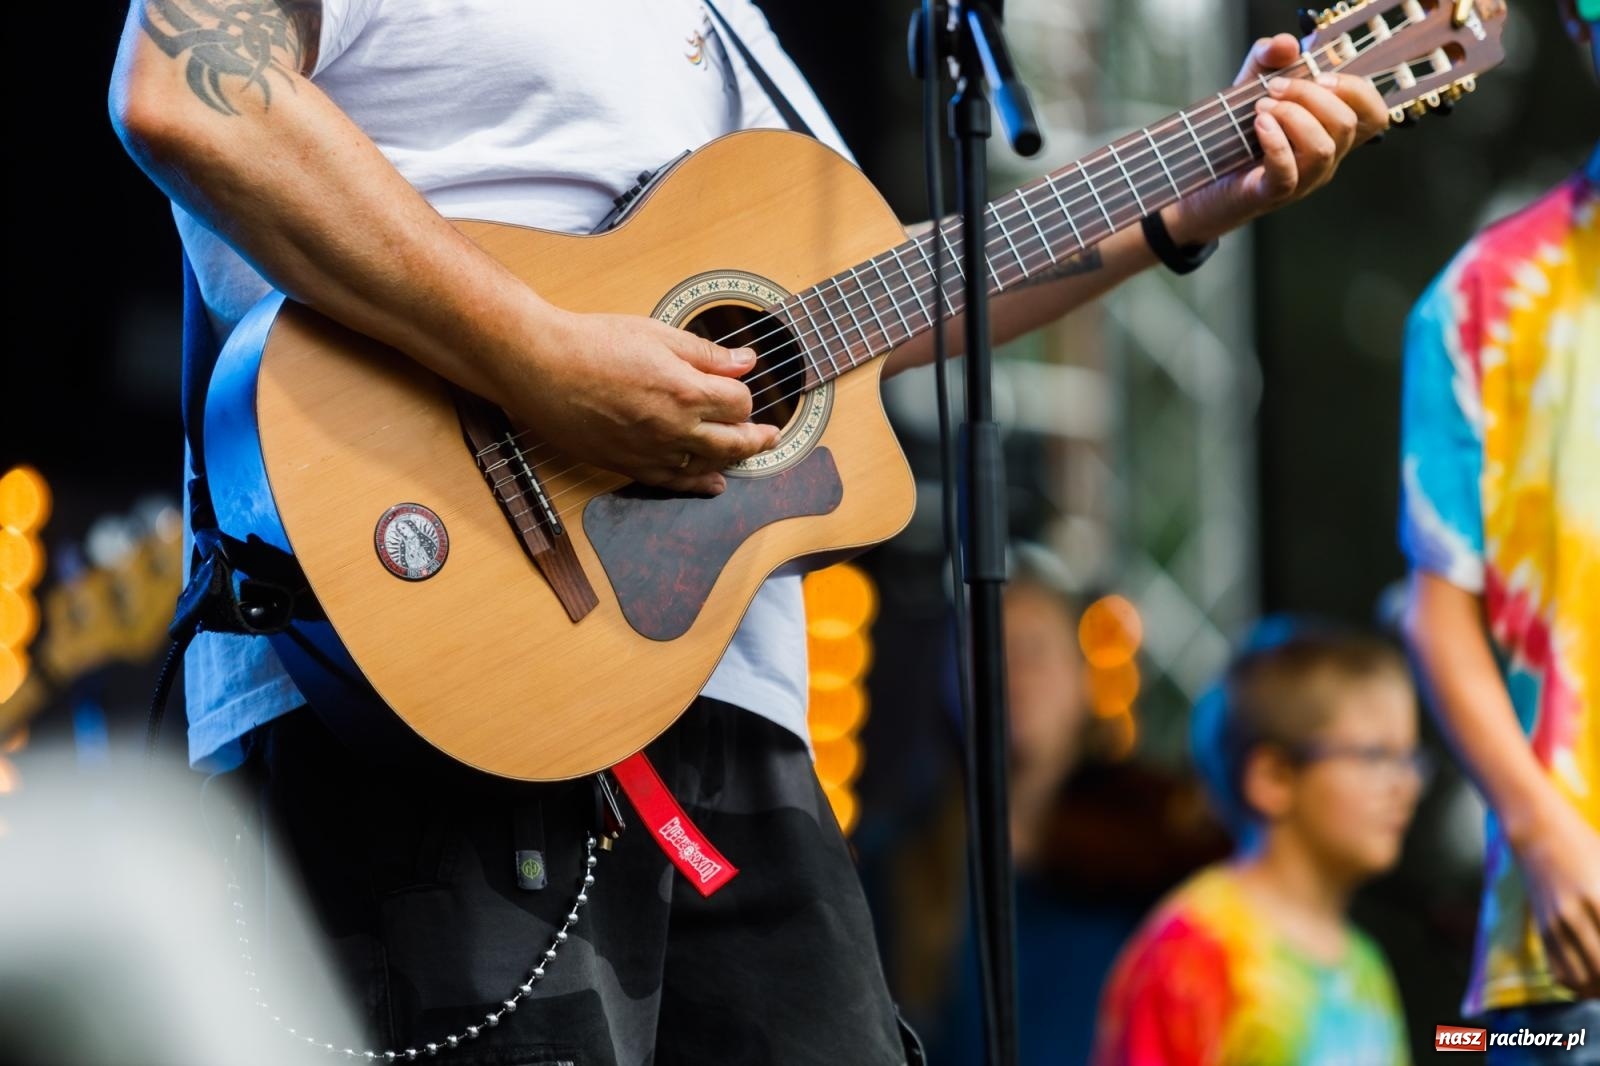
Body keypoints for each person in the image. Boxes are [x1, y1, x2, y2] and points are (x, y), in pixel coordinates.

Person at [108, 2, 1387, 1062]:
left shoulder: (725, 32)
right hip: (426, 666)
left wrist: (1190, 196)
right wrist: (543, 357)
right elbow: (183, 92)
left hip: (718, 701)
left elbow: (878, 308)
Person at [1398, 1, 1599, 1052]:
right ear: (1576, 26)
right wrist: (1538, 825)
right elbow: (1440, 611)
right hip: (1570, 940)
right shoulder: (1478, 296)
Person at [1093, 621, 1423, 1064]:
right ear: (1273, 778)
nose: (1407, 786)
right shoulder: (1194, 950)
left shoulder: (1366, 968)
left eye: (1410, 759)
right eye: (1375, 757)